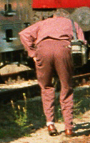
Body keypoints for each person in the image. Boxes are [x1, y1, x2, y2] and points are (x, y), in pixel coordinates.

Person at [18, 8, 85, 136]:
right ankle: (68, 127)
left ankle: (50, 124)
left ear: (53, 16)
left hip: (43, 50)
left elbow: (24, 34)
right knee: (66, 87)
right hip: (63, 50)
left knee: (46, 86)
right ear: (66, 16)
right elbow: (82, 41)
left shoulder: (43, 23)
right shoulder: (72, 23)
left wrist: (32, 53)